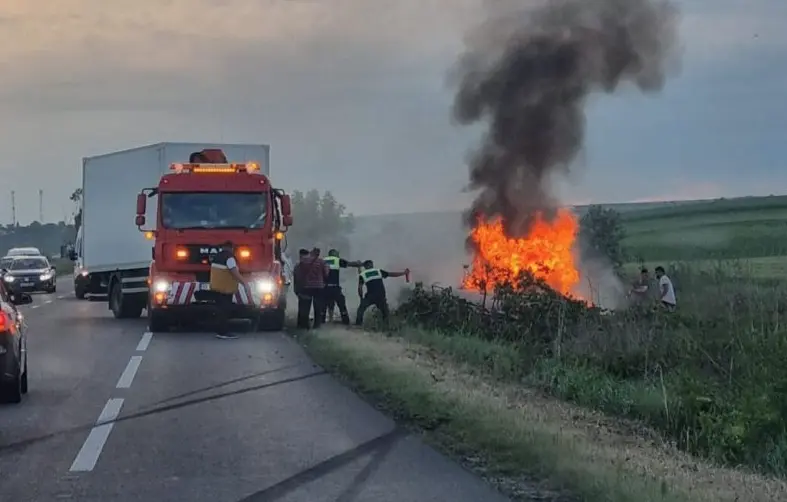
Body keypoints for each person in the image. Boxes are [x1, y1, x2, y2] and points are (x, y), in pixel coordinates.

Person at [209, 240, 247, 339]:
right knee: (225, 310)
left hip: (216, 287)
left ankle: (219, 331)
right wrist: (244, 283)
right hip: (226, 288)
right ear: (231, 248)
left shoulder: (217, 257)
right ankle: (223, 332)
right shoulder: (229, 258)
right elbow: (234, 271)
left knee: (219, 310)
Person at [355, 260, 409, 327]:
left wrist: (361, 298)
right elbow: (392, 274)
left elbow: (360, 288)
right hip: (381, 295)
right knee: (385, 312)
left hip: (370, 296)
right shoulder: (378, 271)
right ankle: (386, 327)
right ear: (372, 265)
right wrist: (404, 273)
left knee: (361, 309)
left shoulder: (363, 274)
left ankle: (358, 325)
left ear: (365, 267)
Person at [321, 249, 362, 325]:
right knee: (342, 305)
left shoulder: (322, 261)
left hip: (325, 288)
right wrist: (359, 264)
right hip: (335, 288)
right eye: (337, 254)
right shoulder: (337, 260)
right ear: (334, 254)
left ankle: (321, 323)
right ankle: (346, 323)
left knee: (323, 307)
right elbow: (349, 264)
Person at [293, 248, 311, 329]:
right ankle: (304, 324)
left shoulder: (298, 265)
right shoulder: (304, 265)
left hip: (302, 289)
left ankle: (301, 324)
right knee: (305, 307)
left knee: (302, 307)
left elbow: (296, 278)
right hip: (305, 289)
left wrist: (296, 289)